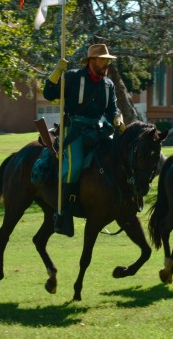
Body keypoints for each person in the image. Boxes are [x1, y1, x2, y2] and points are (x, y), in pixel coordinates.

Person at [43, 43, 125, 236]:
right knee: (74, 166)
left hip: (97, 130)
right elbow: (49, 94)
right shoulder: (72, 77)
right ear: (91, 61)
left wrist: (117, 118)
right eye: (103, 60)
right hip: (73, 129)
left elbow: (112, 109)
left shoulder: (108, 84)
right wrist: (56, 72)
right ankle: (62, 213)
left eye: (108, 61)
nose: (106, 64)